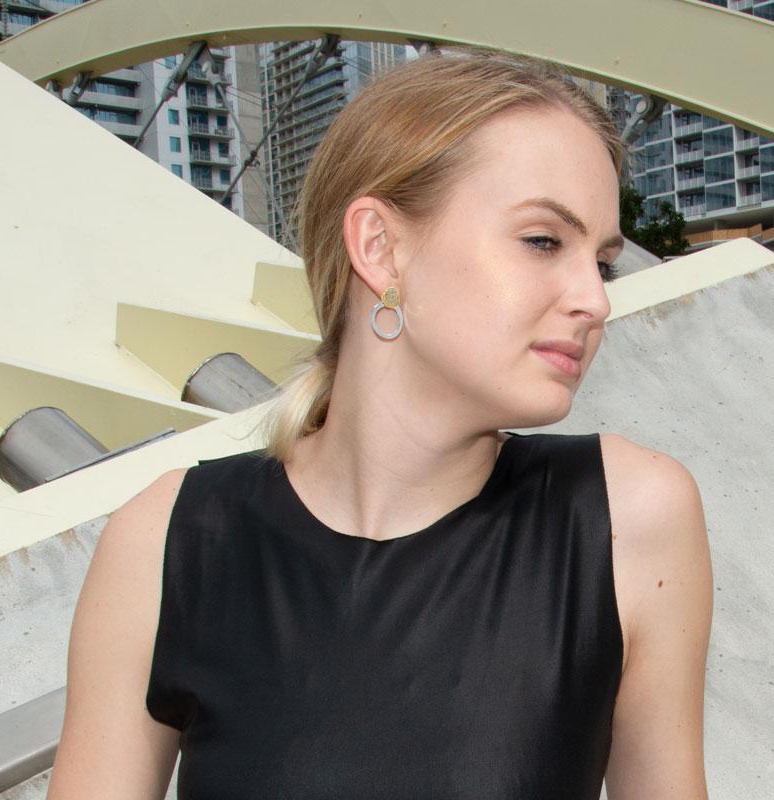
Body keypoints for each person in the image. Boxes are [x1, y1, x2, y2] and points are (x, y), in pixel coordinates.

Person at [47, 47, 713, 799]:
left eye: (604, 261)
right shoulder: (170, 541)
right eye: (543, 242)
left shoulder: (629, 520)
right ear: (380, 247)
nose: (595, 300)